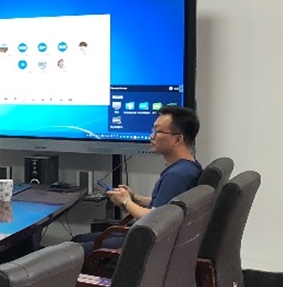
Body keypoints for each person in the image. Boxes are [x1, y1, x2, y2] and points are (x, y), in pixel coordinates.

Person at [75, 105, 203, 250]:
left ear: (178, 139)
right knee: (79, 240)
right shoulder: (189, 167)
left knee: (76, 249)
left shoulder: (177, 176)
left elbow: (156, 219)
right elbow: (166, 204)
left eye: (158, 131)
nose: (151, 136)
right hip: (156, 241)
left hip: (148, 246)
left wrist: (125, 202)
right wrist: (135, 198)